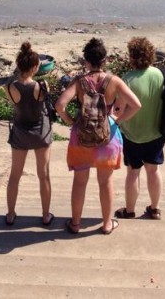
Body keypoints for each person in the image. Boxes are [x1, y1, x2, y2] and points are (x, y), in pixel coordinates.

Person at [55, 37, 142, 235]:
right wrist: (117, 121)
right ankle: (106, 224)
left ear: (86, 60)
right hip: (107, 136)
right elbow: (136, 105)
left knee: (79, 181)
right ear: (104, 60)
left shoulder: (79, 82)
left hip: (81, 137)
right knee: (105, 181)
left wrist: (71, 122)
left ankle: (75, 223)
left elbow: (60, 105)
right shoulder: (114, 81)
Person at [116, 36, 165, 221]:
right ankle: (155, 209)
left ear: (132, 56)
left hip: (132, 135)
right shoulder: (160, 74)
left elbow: (119, 108)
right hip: (156, 132)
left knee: (133, 172)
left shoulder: (127, 79)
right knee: (153, 170)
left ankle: (129, 211)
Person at [4, 42, 54, 227]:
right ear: (34, 67)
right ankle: (46, 215)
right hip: (40, 133)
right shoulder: (42, 85)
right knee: (44, 175)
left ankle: (10, 214)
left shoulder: (10, 87)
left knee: (14, 175)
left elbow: (15, 104)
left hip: (20, 133)